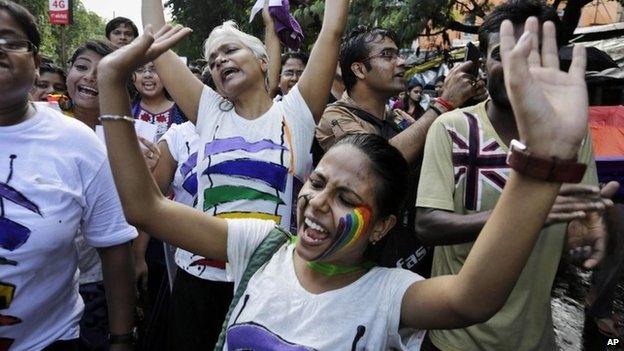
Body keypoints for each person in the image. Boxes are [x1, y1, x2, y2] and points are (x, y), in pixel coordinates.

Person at [99, 10, 596, 349]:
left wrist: (539, 166)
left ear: (382, 227)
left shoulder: (386, 295)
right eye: (315, 183)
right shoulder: (263, 247)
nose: (315, 203)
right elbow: (145, 210)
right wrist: (109, 85)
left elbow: (470, 298)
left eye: (346, 198)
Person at [140, 0, 348, 347]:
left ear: (263, 60)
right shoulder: (208, 111)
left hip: (268, 278)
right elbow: (157, 41)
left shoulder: (295, 113)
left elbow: (332, 30)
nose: (220, 60)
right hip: (199, 283)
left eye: (230, 50)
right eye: (212, 60)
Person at [415, 2, 617, 350]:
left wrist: (587, 232)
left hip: (534, 338)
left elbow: (578, 226)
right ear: (482, 62)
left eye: (533, 54)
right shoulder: (451, 128)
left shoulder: (571, 136)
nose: (517, 66)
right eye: (501, 54)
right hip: (454, 340)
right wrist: (524, 215)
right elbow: (428, 226)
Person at [0, 2, 136, 350]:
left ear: (35, 61)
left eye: (10, 41)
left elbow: (117, 245)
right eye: (82, 67)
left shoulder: (81, 143)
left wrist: (120, 339)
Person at [315, 26, 487, 166]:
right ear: (359, 69)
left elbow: (443, 149)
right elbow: (374, 164)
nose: (402, 62)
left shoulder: (398, 117)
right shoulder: (334, 117)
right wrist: (443, 104)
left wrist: (467, 104)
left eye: (397, 55)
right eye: (387, 55)